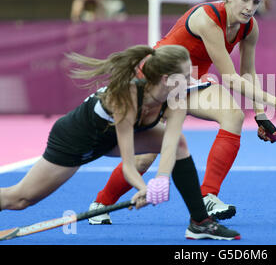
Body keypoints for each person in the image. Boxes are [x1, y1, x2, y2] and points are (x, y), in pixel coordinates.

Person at [88, 0, 276, 225]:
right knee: (146, 158)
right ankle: (100, 203)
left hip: (192, 79)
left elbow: (247, 73)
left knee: (233, 116)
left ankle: (207, 196)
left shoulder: (249, 27)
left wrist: (261, 114)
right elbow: (230, 78)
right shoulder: (207, 19)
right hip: (159, 78)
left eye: (255, 1)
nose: (250, 7)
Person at [0, 44, 240, 241]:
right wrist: (142, 189)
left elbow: (172, 142)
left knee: (179, 145)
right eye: (186, 76)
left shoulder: (177, 97)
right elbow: (128, 163)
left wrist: (162, 179)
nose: (191, 81)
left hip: (111, 138)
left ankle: (200, 222)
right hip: (76, 140)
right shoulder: (127, 97)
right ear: (166, 78)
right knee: (20, 199)